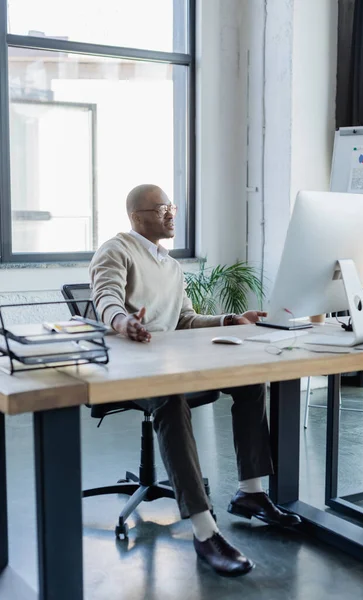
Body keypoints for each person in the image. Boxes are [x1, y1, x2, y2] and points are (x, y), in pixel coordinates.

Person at [89, 184, 301, 577]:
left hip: (169, 363)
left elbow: (184, 319)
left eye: (172, 207)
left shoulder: (170, 265)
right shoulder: (115, 250)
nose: (172, 214)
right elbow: (105, 299)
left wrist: (228, 320)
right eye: (162, 208)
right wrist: (123, 322)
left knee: (250, 381)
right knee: (170, 400)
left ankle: (251, 494)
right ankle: (205, 533)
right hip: (130, 369)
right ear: (137, 216)